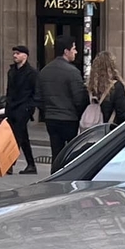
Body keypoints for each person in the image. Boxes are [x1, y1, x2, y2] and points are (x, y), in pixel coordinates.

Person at [36, 38, 88, 169]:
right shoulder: (73, 72)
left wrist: (46, 111)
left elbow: (38, 97)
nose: (75, 52)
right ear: (66, 51)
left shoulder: (44, 71)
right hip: (69, 118)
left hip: (51, 118)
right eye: (74, 49)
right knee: (71, 152)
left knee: (56, 152)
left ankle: (55, 175)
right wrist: (78, 113)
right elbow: (80, 99)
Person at [1, 44, 39, 174]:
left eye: (18, 53)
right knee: (22, 136)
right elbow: (9, 90)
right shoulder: (12, 71)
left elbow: (36, 92)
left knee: (17, 136)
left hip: (24, 107)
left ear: (25, 56)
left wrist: (30, 107)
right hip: (12, 107)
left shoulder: (32, 73)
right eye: (14, 54)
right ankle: (31, 164)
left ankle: (9, 164)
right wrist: (7, 107)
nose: (15, 56)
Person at [86, 51, 125, 130]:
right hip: (108, 132)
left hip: (90, 133)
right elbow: (123, 114)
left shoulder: (90, 88)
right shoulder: (116, 87)